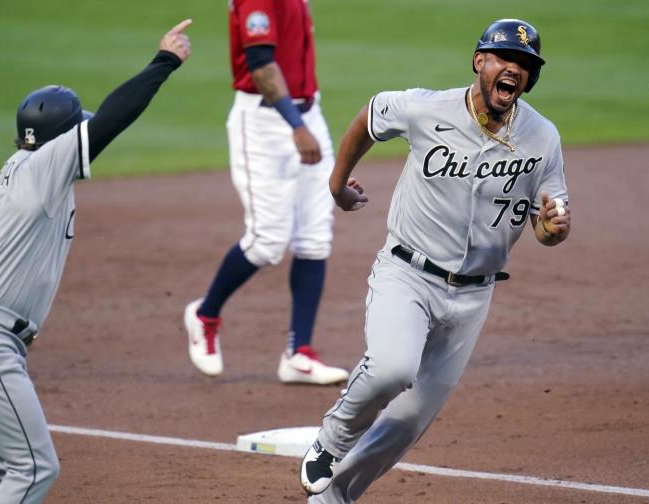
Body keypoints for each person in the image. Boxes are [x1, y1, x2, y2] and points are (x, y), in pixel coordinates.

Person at [298, 19, 572, 501]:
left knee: (407, 421)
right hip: (408, 272)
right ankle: (333, 439)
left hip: (474, 296)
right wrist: (337, 186)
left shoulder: (542, 137)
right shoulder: (427, 109)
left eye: (524, 64)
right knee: (392, 369)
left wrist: (553, 228)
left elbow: (547, 225)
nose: (514, 69)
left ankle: (333, 498)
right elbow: (370, 115)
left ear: (531, 78)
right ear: (479, 61)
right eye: (504, 58)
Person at [0, 20, 193, 503]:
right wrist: (164, 61)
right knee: (34, 469)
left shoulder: (11, 172)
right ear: (60, 139)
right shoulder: (45, 165)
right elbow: (112, 119)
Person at [182, 0, 348, 385]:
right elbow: (260, 65)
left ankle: (298, 353)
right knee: (267, 241)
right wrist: (297, 127)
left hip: (308, 113)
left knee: (314, 238)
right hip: (265, 123)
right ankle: (205, 315)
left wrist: (304, 123)